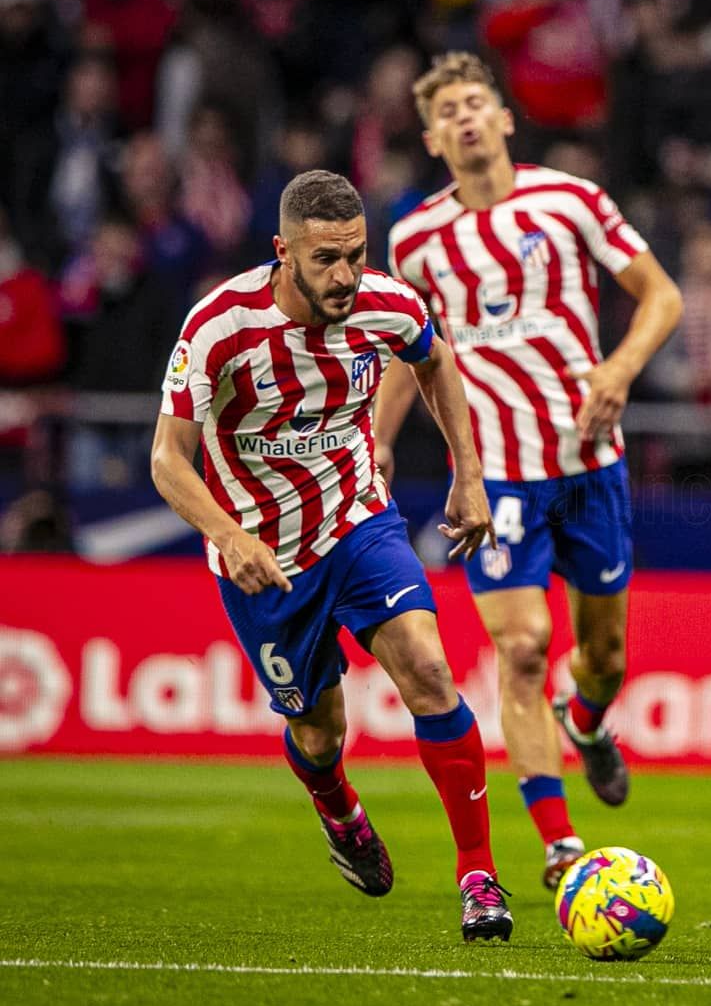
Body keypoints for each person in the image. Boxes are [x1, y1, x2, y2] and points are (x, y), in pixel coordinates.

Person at [150, 170, 513, 943]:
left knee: (429, 668)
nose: (345, 275)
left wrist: (469, 473)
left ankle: (478, 874)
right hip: (264, 557)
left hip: (357, 522)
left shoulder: (387, 302)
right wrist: (230, 535)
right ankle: (338, 807)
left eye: (355, 254)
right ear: (284, 252)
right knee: (319, 734)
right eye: (326, 260)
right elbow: (167, 461)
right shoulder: (218, 327)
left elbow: (435, 360)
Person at [376, 52, 682, 891]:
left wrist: (617, 372)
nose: (467, 119)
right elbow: (411, 352)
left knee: (605, 655)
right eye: (449, 112)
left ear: (505, 118)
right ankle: (559, 842)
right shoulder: (416, 238)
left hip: (589, 464)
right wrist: (380, 435)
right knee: (521, 646)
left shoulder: (570, 200)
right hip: (496, 477)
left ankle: (584, 725)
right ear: (436, 138)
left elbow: (660, 294)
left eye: (478, 102)